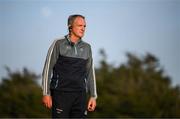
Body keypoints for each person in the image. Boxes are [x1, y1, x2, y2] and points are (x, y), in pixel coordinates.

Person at [42, 14, 97, 118]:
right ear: (70, 27)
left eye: (84, 26)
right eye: (80, 25)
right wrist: (46, 93)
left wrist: (93, 96)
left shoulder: (87, 47)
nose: (83, 28)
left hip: (80, 95)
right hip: (61, 94)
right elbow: (47, 69)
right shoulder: (58, 43)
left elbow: (90, 73)